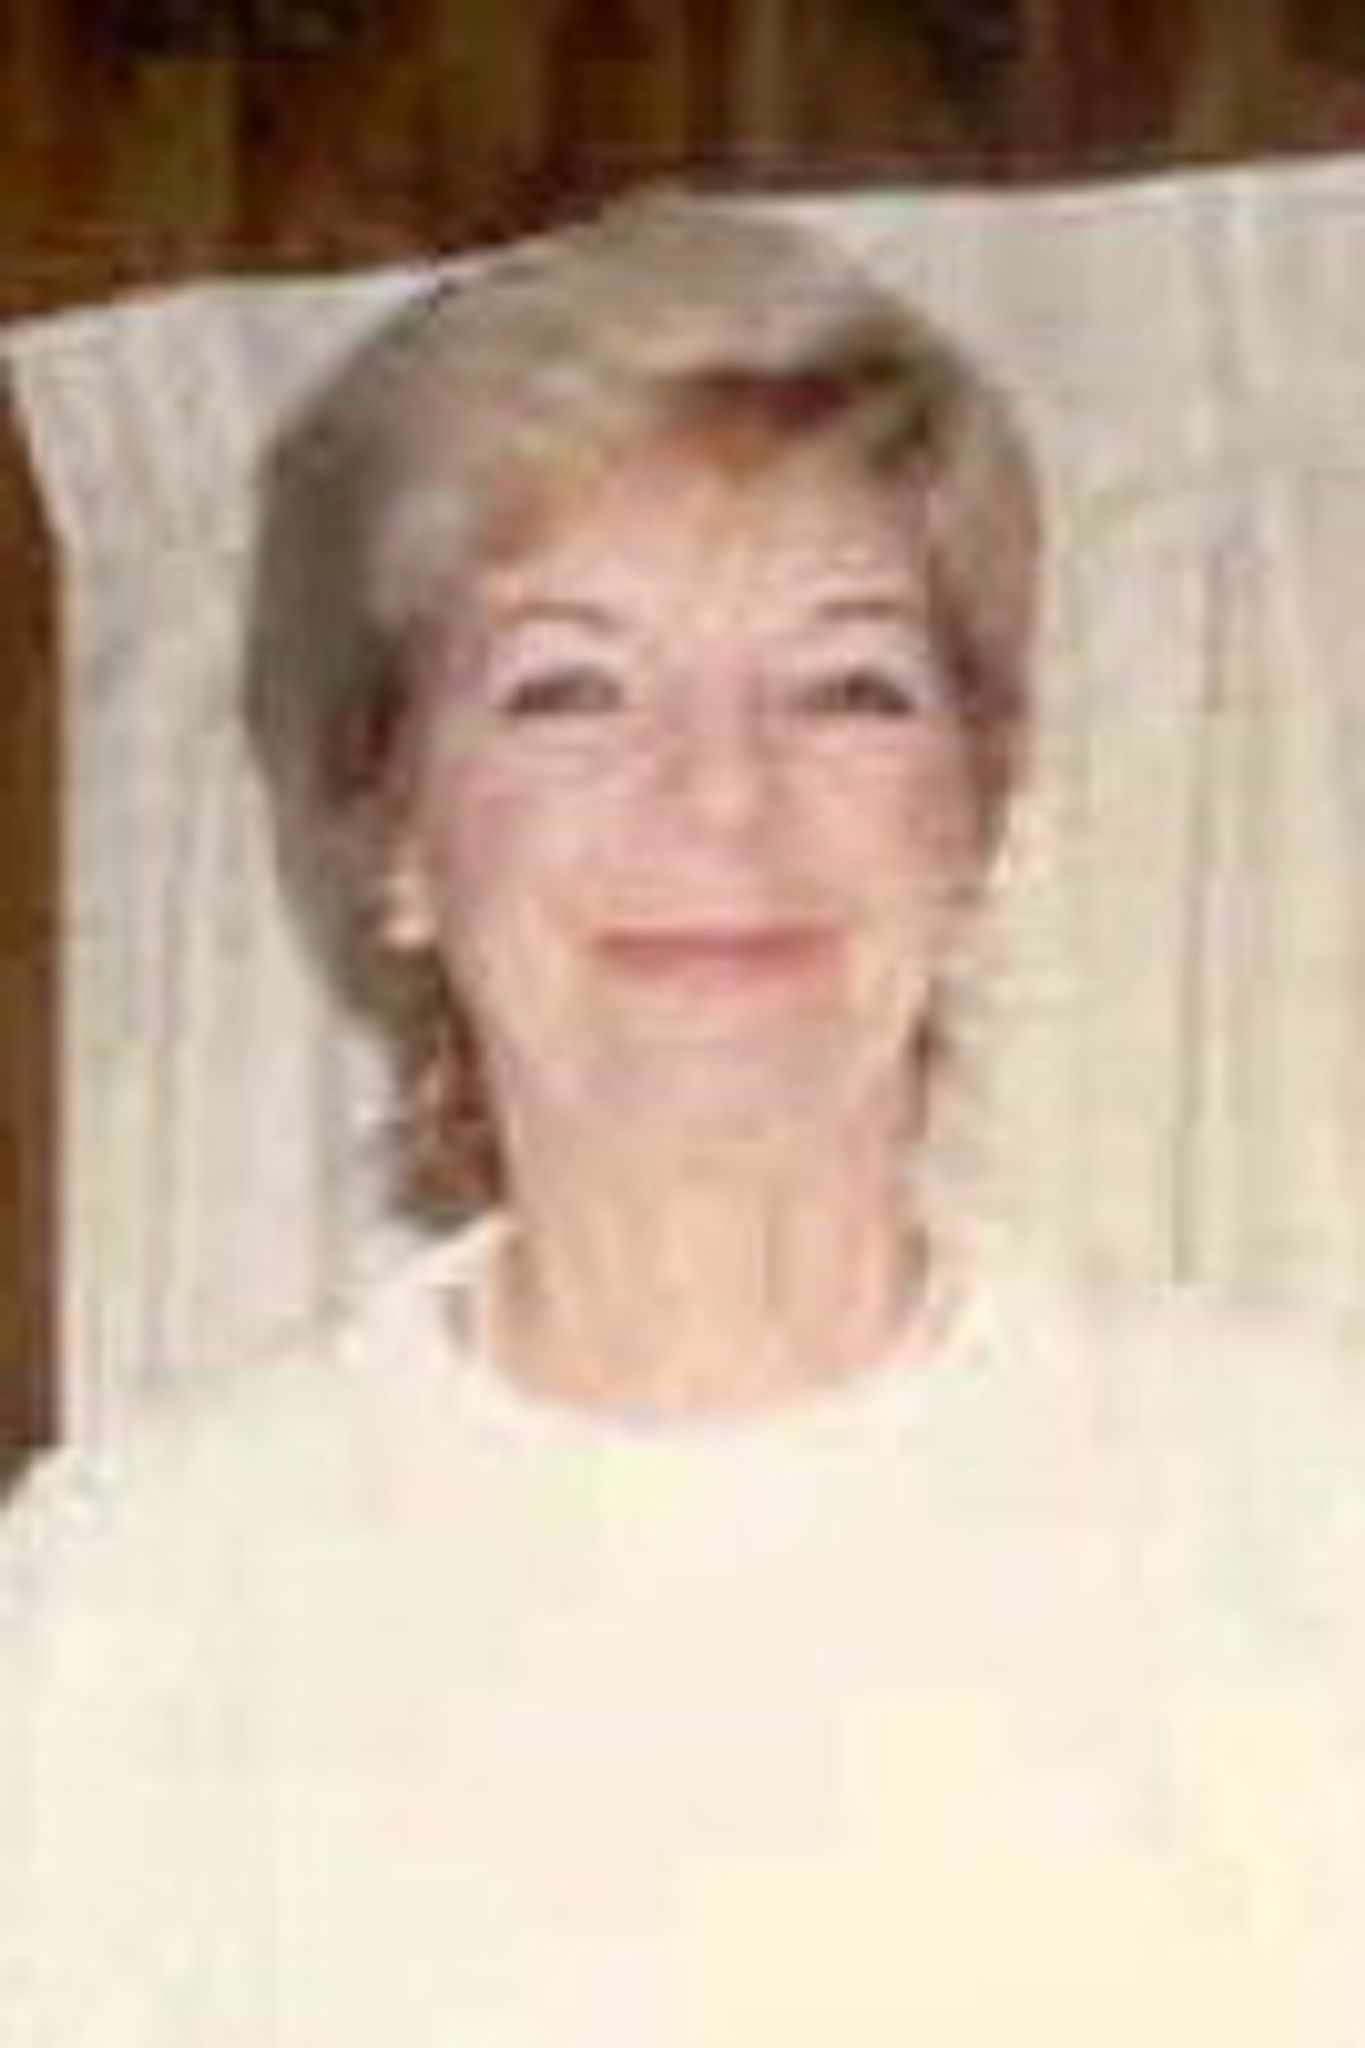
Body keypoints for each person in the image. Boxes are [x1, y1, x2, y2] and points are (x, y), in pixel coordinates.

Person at [4, 188, 1364, 2048]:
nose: (721, 795)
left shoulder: (1302, 1518)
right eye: (568, 689)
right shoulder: (116, 1610)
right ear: (396, 837)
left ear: (975, 815)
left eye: (845, 687)